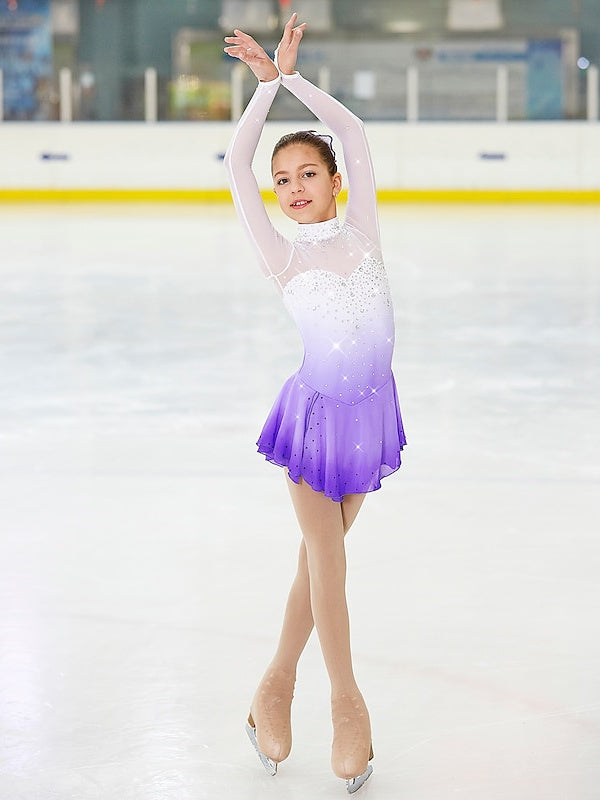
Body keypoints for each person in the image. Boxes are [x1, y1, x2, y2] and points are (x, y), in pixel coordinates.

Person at [223, 14, 406, 795]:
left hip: (371, 416)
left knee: (315, 565)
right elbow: (236, 162)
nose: (293, 189)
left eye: (307, 174)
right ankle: (347, 705)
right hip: (316, 421)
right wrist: (263, 93)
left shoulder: (361, 228)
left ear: (334, 181)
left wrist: (293, 78)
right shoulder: (280, 254)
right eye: (283, 180)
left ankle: (272, 686)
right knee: (328, 560)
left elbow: (354, 131)